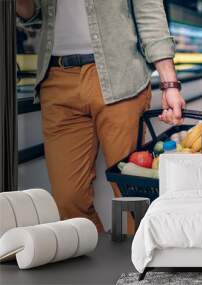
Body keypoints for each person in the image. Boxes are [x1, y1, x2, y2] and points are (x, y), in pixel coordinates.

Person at [16, 0, 185, 232]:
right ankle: (96, 261)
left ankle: (139, 264)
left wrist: (170, 84)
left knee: (130, 194)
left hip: (119, 76)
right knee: (68, 200)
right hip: (57, 80)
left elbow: (149, 12)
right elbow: (31, 11)